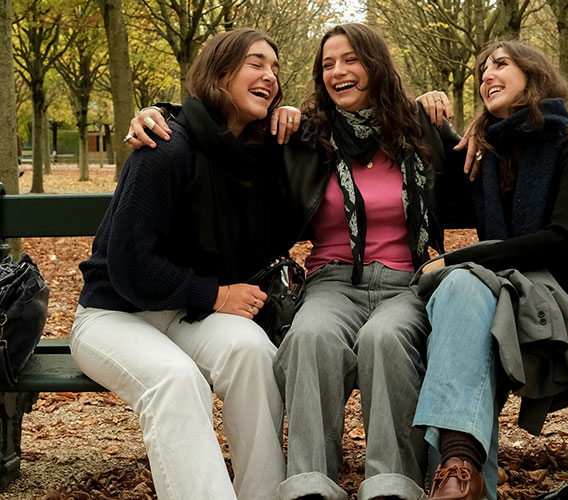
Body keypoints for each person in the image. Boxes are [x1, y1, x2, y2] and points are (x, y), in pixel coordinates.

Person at [128, 23, 465, 500]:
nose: (338, 71)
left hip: (406, 282)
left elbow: (480, 165)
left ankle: (392, 484)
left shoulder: (419, 129)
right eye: (327, 64)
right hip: (332, 281)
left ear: (377, 65)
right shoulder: (306, 135)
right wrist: (155, 112)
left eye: (350, 59)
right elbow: (213, 123)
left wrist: (448, 111)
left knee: (383, 339)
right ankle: (310, 486)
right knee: (310, 337)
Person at [70, 28, 299, 500]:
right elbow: (129, 268)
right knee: (176, 381)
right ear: (220, 73)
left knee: (253, 354)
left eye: (275, 69)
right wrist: (215, 295)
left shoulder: (254, 158)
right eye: (256, 63)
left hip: (185, 313)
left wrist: (301, 124)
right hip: (114, 313)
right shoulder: (164, 146)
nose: (270, 76)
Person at [414, 41, 568, 500]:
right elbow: (431, 166)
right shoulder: (483, 156)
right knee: (468, 318)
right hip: (501, 308)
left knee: (464, 325)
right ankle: (461, 474)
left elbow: (560, 240)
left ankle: (454, 476)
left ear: (534, 75)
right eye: (482, 70)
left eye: (500, 64)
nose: (486, 75)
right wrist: (424, 108)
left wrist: (462, 258)